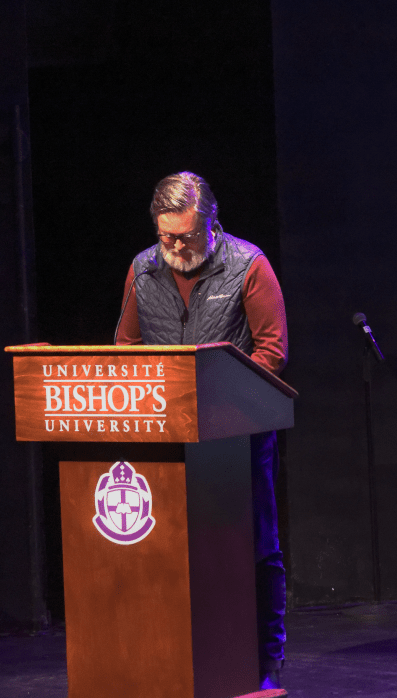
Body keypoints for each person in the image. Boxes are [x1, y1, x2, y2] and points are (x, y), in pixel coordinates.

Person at [116, 171, 288, 691]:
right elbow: (125, 348)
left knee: (254, 547)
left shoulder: (248, 265)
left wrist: (221, 405)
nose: (173, 247)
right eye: (164, 236)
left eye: (185, 236)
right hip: (164, 442)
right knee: (169, 553)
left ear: (211, 225)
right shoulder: (142, 269)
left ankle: (264, 663)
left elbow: (272, 353)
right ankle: (170, 659)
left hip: (237, 439)